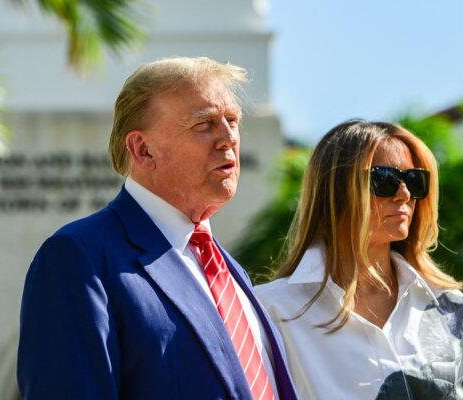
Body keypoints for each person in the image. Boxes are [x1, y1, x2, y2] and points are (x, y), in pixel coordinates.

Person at [17, 57, 297, 400]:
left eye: (233, 120)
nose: (228, 139)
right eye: (204, 124)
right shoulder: (80, 258)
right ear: (143, 149)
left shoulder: (229, 271)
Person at [255, 120, 463, 399]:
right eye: (384, 179)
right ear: (335, 191)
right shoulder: (272, 312)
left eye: (414, 180)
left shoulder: (453, 310)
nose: (405, 194)